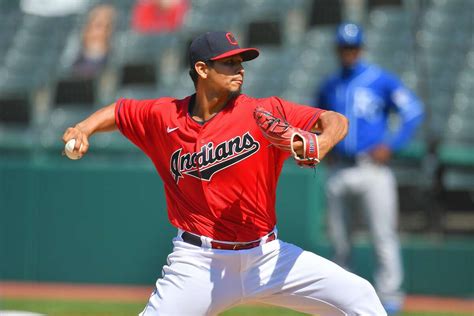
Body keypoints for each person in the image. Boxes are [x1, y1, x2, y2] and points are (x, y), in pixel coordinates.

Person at [62, 31, 387, 315]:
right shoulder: (165, 117)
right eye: (228, 62)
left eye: (241, 61)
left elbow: (335, 121)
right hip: (199, 263)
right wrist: (83, 128)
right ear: (202, 69)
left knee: (359, 297)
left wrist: (321, 141)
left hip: (267, 256)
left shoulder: (263, 111)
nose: (239, 69)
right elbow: (119, 112)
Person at [315, 23, 424, 315]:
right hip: (339, 169)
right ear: (337, 50)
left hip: (372, 168)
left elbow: (412, 110)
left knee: (382, 235)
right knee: (339, 239)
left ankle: (390, 298)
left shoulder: (380, 80)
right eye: (343, 47)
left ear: (361, 49)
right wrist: (322, 148)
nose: (348, 52)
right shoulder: (329, 84)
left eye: (352, 47)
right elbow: (316, 120)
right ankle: (341, 300)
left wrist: (393, 143)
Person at [71, 4, 117, 78]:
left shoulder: (114, 63)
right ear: (86, 29)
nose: (103, 31)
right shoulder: (72, 62)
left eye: (108, 26)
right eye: (98, 25)